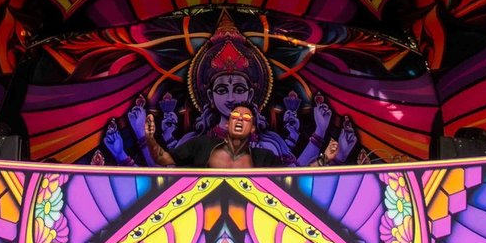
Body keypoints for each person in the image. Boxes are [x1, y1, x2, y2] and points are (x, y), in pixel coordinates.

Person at [145, 104, 348, 169]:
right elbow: (163, 159)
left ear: (253, 128)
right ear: (227, 123)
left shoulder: (264, 158)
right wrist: (150, 137)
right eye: (235, 116)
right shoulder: (201, 145)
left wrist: (324, 159)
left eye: (246, 118)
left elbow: (294, 179)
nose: (239, 120)